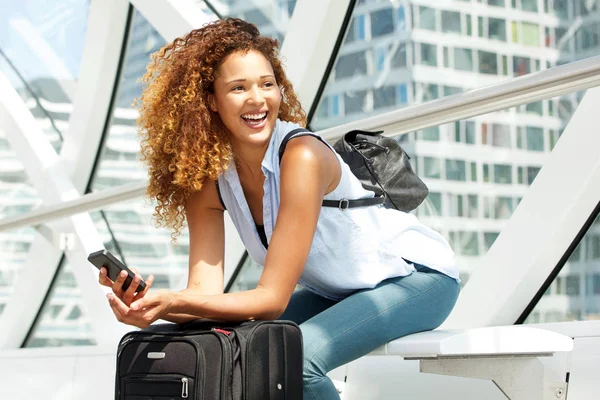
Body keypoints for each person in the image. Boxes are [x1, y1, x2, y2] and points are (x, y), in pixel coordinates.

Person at [99, 18, 460, 400]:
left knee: (296, 364)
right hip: (341, 291)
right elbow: (204, 293)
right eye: (238, 88)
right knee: (221, 346)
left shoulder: (301, 156)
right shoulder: (208, 179)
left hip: (416, 279)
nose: (257, 99)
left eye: (266, 84)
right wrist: (151, 306)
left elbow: (270, 302)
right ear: (211, 101)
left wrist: (172, 302)